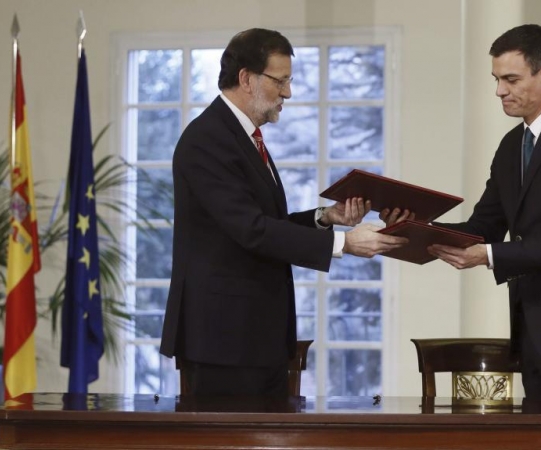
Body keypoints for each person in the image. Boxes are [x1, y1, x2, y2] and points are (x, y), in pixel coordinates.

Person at [383, 24, 541, 399]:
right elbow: (484, 226)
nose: (499, 90)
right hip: (531, 328)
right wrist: (418, 229)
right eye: (497, 79)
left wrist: (484, 256)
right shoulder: (511, 145)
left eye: (511, 79)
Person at [160, 28, 407, 397]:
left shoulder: (244, 137)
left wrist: (326, 217)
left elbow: (266, 224)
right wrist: (345, 244)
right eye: (281, 81)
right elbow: (253, 231)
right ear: (246, 78)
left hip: (257, 338)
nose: (287, 93)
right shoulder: (207, 139)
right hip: (224, 342)